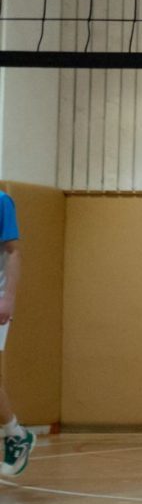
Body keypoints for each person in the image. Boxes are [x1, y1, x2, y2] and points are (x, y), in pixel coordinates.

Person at [0, 185, 28, 479]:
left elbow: (13, 251)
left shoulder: (2, 201)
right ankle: (15, 433)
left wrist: (8, 298)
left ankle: (15, 435)